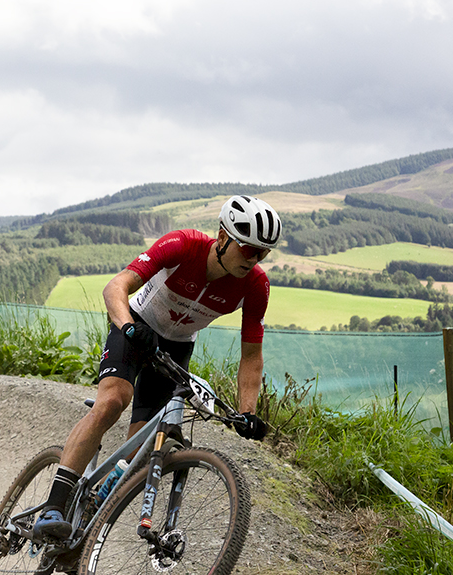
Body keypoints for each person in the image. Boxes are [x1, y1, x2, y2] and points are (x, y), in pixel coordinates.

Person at [33, 195, 281, 541]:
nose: (255, 260)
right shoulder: (182, 246)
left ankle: (89, 519)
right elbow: (115, 287)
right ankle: (53, 507)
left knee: (141, 449)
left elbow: (252, 355)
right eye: (248, 249)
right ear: (222, 237)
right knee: (112, 402)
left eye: (263, 253)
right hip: (136, 325)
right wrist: (128, 327)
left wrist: (247, 412)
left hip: (177, 346)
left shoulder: (255, 285)